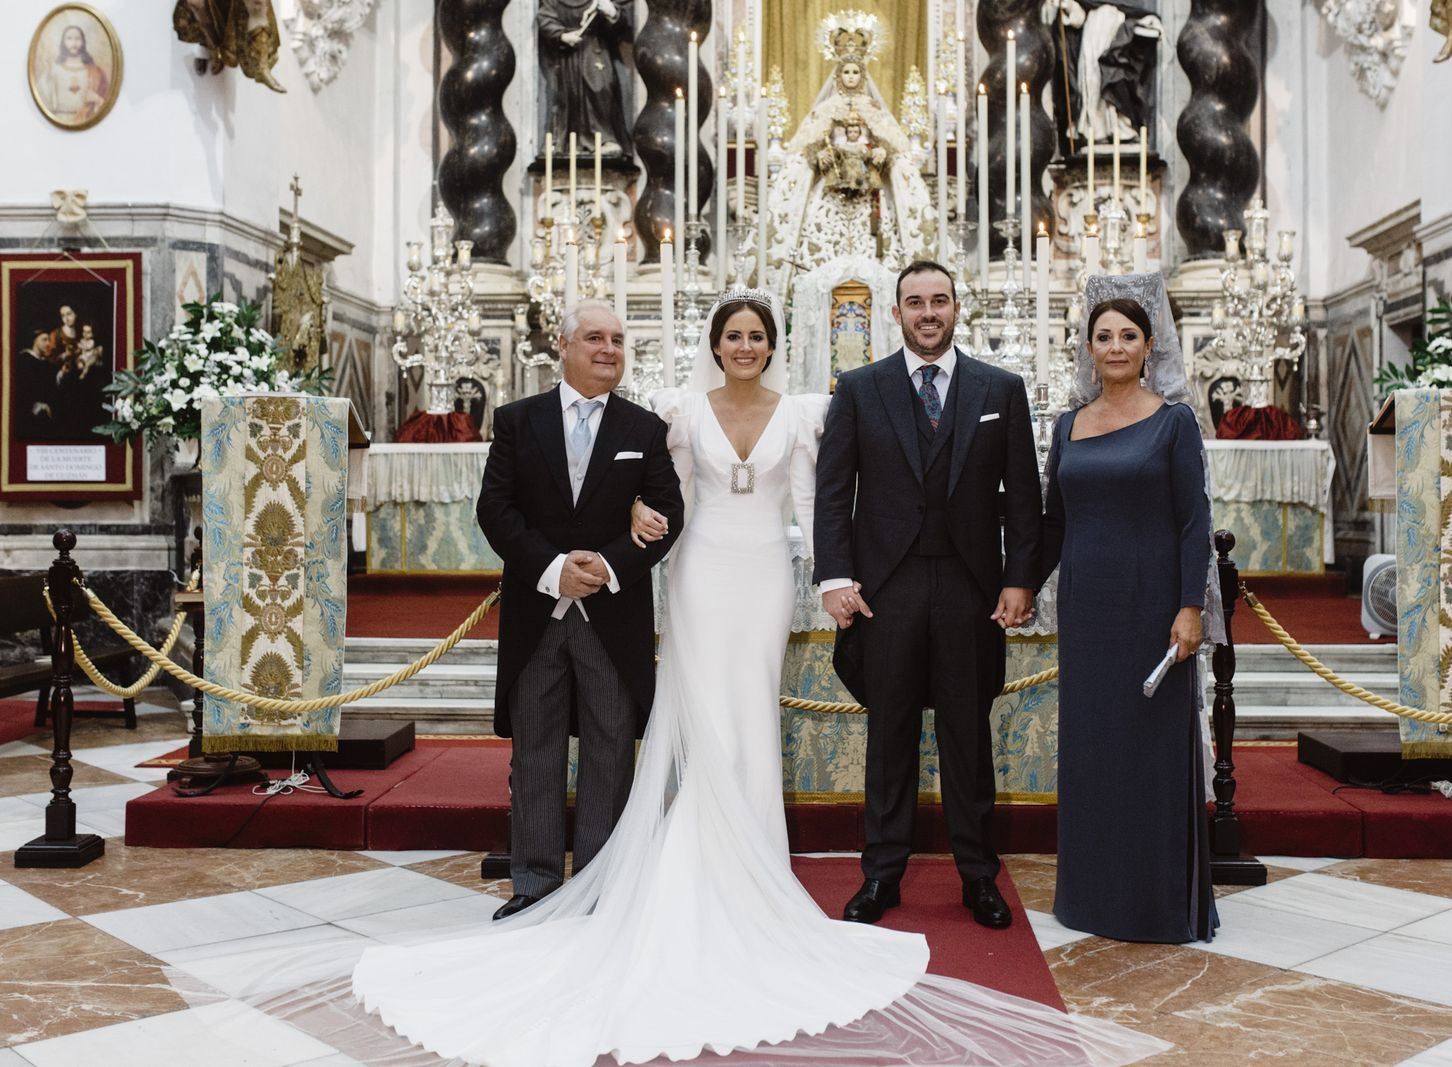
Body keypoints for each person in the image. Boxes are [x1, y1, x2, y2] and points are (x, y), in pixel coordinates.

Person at [349, 288, 1167, 1067]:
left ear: (774, 346)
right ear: (715, 346)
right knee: (703, 709)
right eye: (733, 335)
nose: (745, 346)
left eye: (757, 336)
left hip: (769, 574)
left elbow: (819, 499)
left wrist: (828, 578)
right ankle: (688, 862)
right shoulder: (674, 413)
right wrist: (639, 522)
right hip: (702, 572)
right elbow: (647, 488)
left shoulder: (807, 412)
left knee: (751, 714)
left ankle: (759, 866)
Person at [814, 260, 1042, 930]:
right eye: (915, 302)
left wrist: (1019, 577)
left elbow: (1024, 496)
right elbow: (834, 492)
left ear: (956, 307)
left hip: (972, 588)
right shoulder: (859, 388)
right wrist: (835, 578)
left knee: (968, 735)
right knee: (890, 736)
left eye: (939, 300)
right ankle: (881, 873)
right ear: (896, 313)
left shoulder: (1002, 387)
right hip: (888, 589)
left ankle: (979, 876)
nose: (928, 312)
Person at [473, 299, 684, 921]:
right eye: (594, 338)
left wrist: (611, 566)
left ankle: (599, 882)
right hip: (538, 612)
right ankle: (534, 883)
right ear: (563, 348)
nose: (608, 349)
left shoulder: (643, 429)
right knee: (535, 749)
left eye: (617, 340)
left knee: (610, 750)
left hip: (610, 618)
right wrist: (553, 569)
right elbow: (497, 510)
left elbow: (667, 514)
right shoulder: (517, 421)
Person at [1038, 272, 1222, 944]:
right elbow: (1053, 523)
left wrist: (1189, 606)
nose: (1115, 347)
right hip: (1087, 613)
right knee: (1093, 752)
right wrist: (1019, 586)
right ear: (1088, 348)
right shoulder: (1068, 426)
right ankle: (1090, 895)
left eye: (1128, 336)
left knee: (1148, 754)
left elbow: (1192, 521)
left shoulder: (1173, 422)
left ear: (1150, 347)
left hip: (1152, 610)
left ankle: (1153, 901)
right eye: (1104, 336)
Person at [765, 16, 936, 303]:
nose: (851, 77)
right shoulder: (828, 109)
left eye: (856, 71)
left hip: (870, 195)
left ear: (863, 74)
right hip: (830, 196)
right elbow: (807, 144)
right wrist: (819, 155)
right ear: (838, 75)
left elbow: (893, 142)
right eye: (846, 72)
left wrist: (883, 153)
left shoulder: (872, 108)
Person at [536, 0, 634, 157]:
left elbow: (622, 23)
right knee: (568, 96)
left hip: (595, 48)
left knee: (600, 88)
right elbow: (545, 18)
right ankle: (567, 142)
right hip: (568, 56)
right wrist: (562, 35)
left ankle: (604, 138)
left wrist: (611, 11)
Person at [39, 24, 109, 125]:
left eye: (77, 39)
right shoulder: (54, 70)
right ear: (63, 42)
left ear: (83, 42)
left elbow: (107, 101)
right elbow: (43, 99)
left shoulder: (95, 71)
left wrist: (97, 100)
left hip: (87, 121)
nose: (74, 43)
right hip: (59, 121)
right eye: (69, 38)